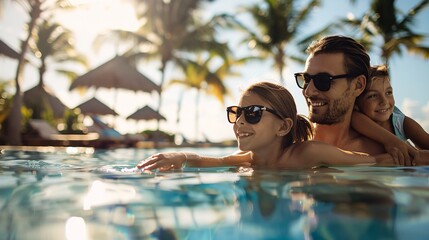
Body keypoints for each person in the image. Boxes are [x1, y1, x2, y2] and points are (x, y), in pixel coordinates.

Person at [138, 82, 388, 171]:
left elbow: (369, 162)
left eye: (254, 113)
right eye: (236, 113)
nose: (241, 121)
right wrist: (179, 155)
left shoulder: (307, 154)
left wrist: (411, 156)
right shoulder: (246, 160)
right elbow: (208, 161)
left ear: (283, 127)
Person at [351, 64, 429, 160]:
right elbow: (354, 118)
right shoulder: (355, 118)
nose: (384, 101)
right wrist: (390, 140)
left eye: (388, 93)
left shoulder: (400, 123)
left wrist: (416, 155)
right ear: (356, 103)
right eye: (372, 96)